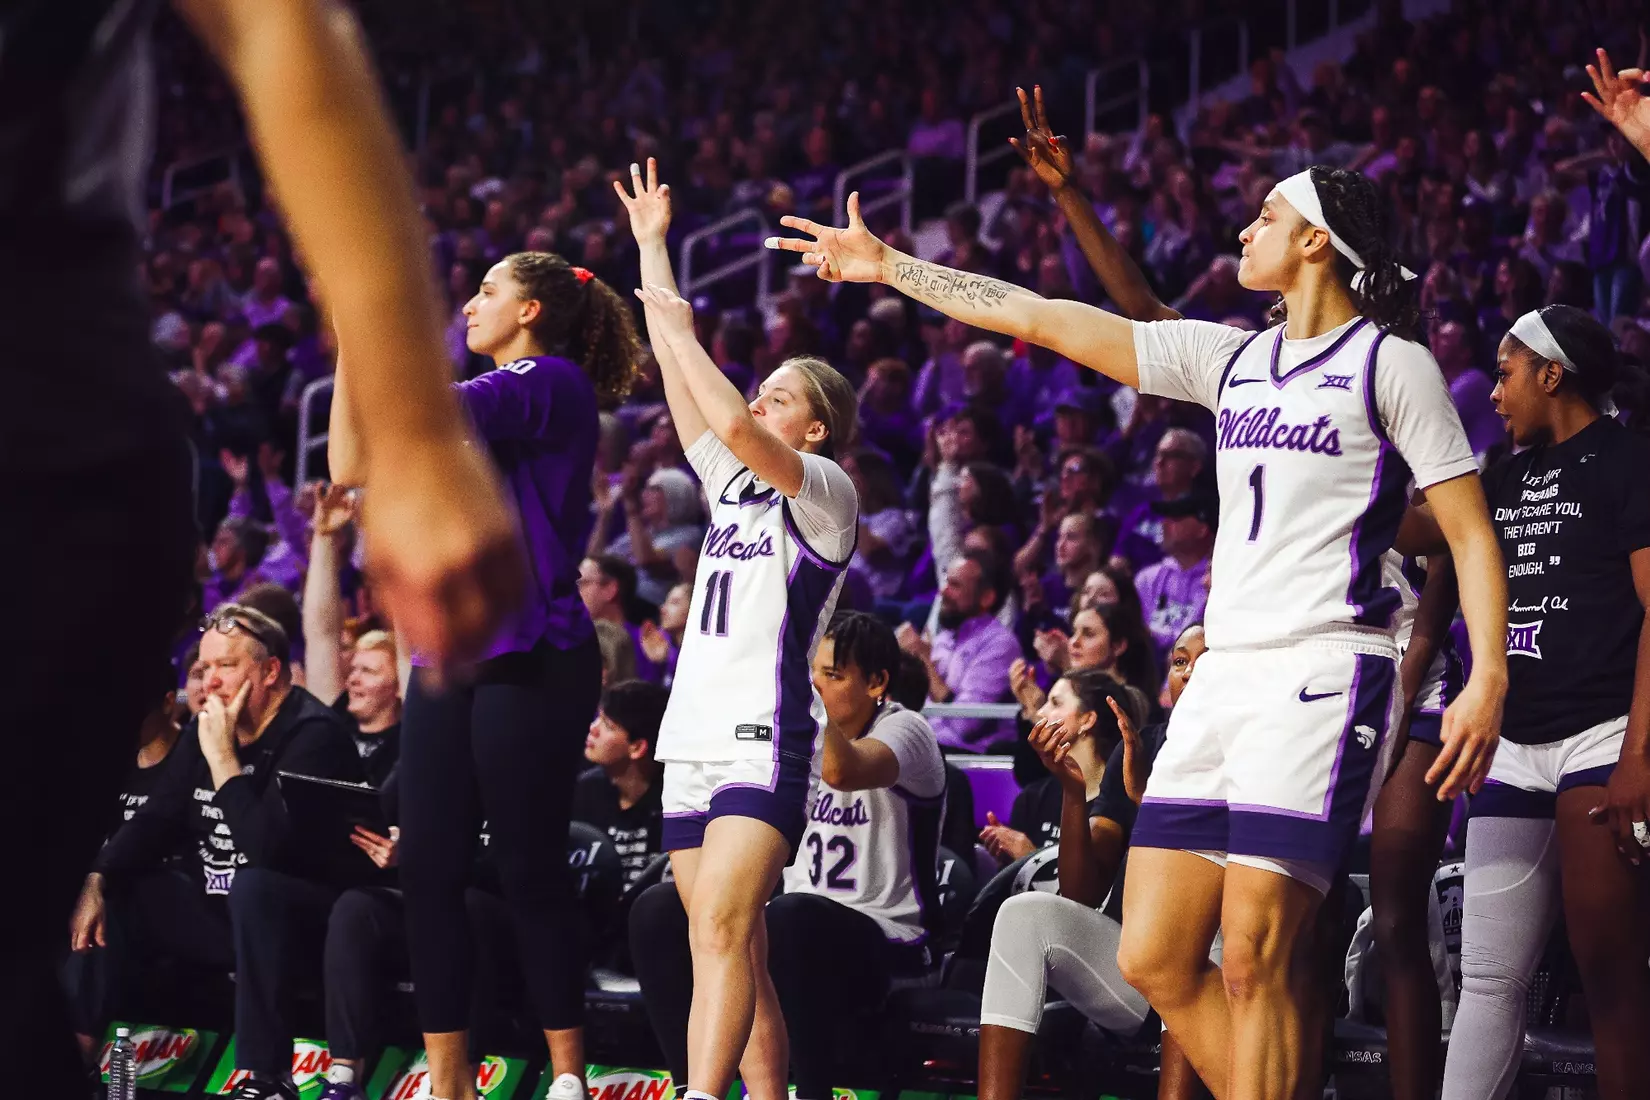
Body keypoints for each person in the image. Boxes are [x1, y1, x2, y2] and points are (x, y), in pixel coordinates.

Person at [771, 116, 1509, 1100]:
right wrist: (891, 266)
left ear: (1315, 240)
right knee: (1153, 953)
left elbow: (1468, 530)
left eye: (1264, 215)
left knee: (1253, 956)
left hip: (1325, 669)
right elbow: (1040, 316)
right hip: (1226, 671)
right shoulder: (1231, 358)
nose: (1243, 229)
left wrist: (1487, 675)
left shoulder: (1391, 362)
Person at [10, 0, 525, 1084]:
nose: (207, 680)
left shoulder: (307, 728)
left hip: (44, 410)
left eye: (226, 662)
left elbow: (276, 20)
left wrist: (416, 435)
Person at [329, 248, 641, 1100]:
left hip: (534, 652)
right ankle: (449, 1082)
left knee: (528, 865)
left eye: (487, 290)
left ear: (532, 310)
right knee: (427, 868)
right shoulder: (489, 393)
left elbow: (421, 411)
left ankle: (570, 1077)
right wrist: (352, 341)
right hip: (448, 653)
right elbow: (349, 464)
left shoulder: (552, 380)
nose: (469, 304)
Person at [618, 160, 861, 1100]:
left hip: (765, 735)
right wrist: (653, 249)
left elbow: (723, 412)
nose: (758, 402)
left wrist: (688, 334)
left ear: (815, 429)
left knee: (721, 931)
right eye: (760, 390)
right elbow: (682, 380)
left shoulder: (826, 494)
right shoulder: (733, 486)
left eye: (779, 397)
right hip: (692, 736)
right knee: (731, 947)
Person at [1396, 302, 1650, 1099]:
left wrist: (1639, 757)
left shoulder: (1629, 461)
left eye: (1505, 375)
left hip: (1604, 736)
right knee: (1488, 980)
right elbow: (1413, 530)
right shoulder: (1504, 477)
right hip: (1514, 745)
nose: (1495, 394)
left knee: (1611, 978)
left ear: (1551, 374)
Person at [68, 607, 364, 1096]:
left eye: (226, 666)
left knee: (254, 886)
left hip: (307, 922)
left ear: (270, 672)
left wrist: (224, 759)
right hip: (223, 913)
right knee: (121, 891)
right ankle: (72, 1062)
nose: (210, 682)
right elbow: (156, 819)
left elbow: (266, 852)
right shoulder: (209, 726)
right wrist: (97, 878)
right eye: (204, 668)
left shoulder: (313, 736)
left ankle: (268, 1077)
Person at [978, 630, 1209, 1100]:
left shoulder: (1253, 754)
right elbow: (1082, 891)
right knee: (1024, 914)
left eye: (1205, 661)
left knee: (1209, 932)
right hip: (1134, 967)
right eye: (1180, 661)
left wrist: (1150, 805)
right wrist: (1071, 790)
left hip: (1215, 973)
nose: (1189, 673)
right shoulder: (1140, 747)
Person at [898, 551, 1022, 753]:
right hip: (925, 744)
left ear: (986, 598)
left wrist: (923, 661)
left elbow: (965, 725)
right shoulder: (944, 636)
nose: (943, 592)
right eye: (946, 582)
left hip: (966, 755)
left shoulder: (1000, 645)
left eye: (955, 585)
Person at [574, 680, 670, 889]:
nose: (593, 729)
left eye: (608, 726)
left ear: (637, 748)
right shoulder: (584, 792)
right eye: (598, 718)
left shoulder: (671, 804)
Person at [1134, 490, 1216, 654]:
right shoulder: (1146, 578)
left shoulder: (1213, 581)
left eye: (1176, 518)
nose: (1164, 524)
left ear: (1202, 529)